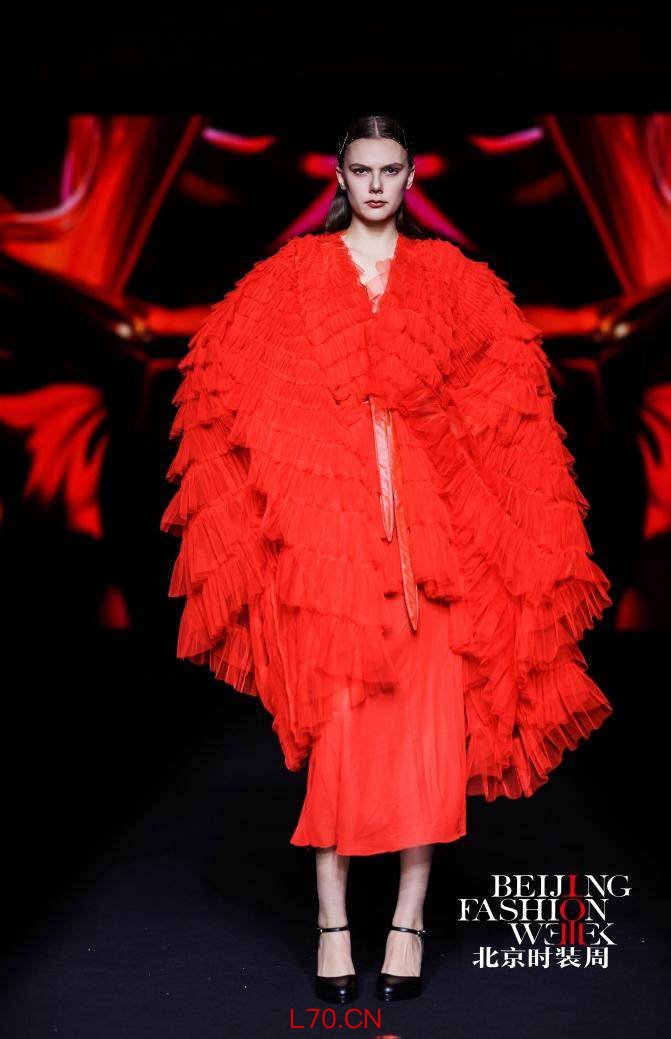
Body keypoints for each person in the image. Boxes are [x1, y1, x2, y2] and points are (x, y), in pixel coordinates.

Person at [160, 114, 613, 1004]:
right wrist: (299, 468)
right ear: (339, 175)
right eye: (361, 169)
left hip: (433, 546)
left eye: (390, 169)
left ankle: (408, 921)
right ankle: (331, 922)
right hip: (331, 552)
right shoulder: (291, 276)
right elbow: (222, 372)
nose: (375, 185)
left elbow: (513, 387)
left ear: (410, 177)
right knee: (338, 732)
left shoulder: (454, 278)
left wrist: (433, 426)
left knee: (427, 734)